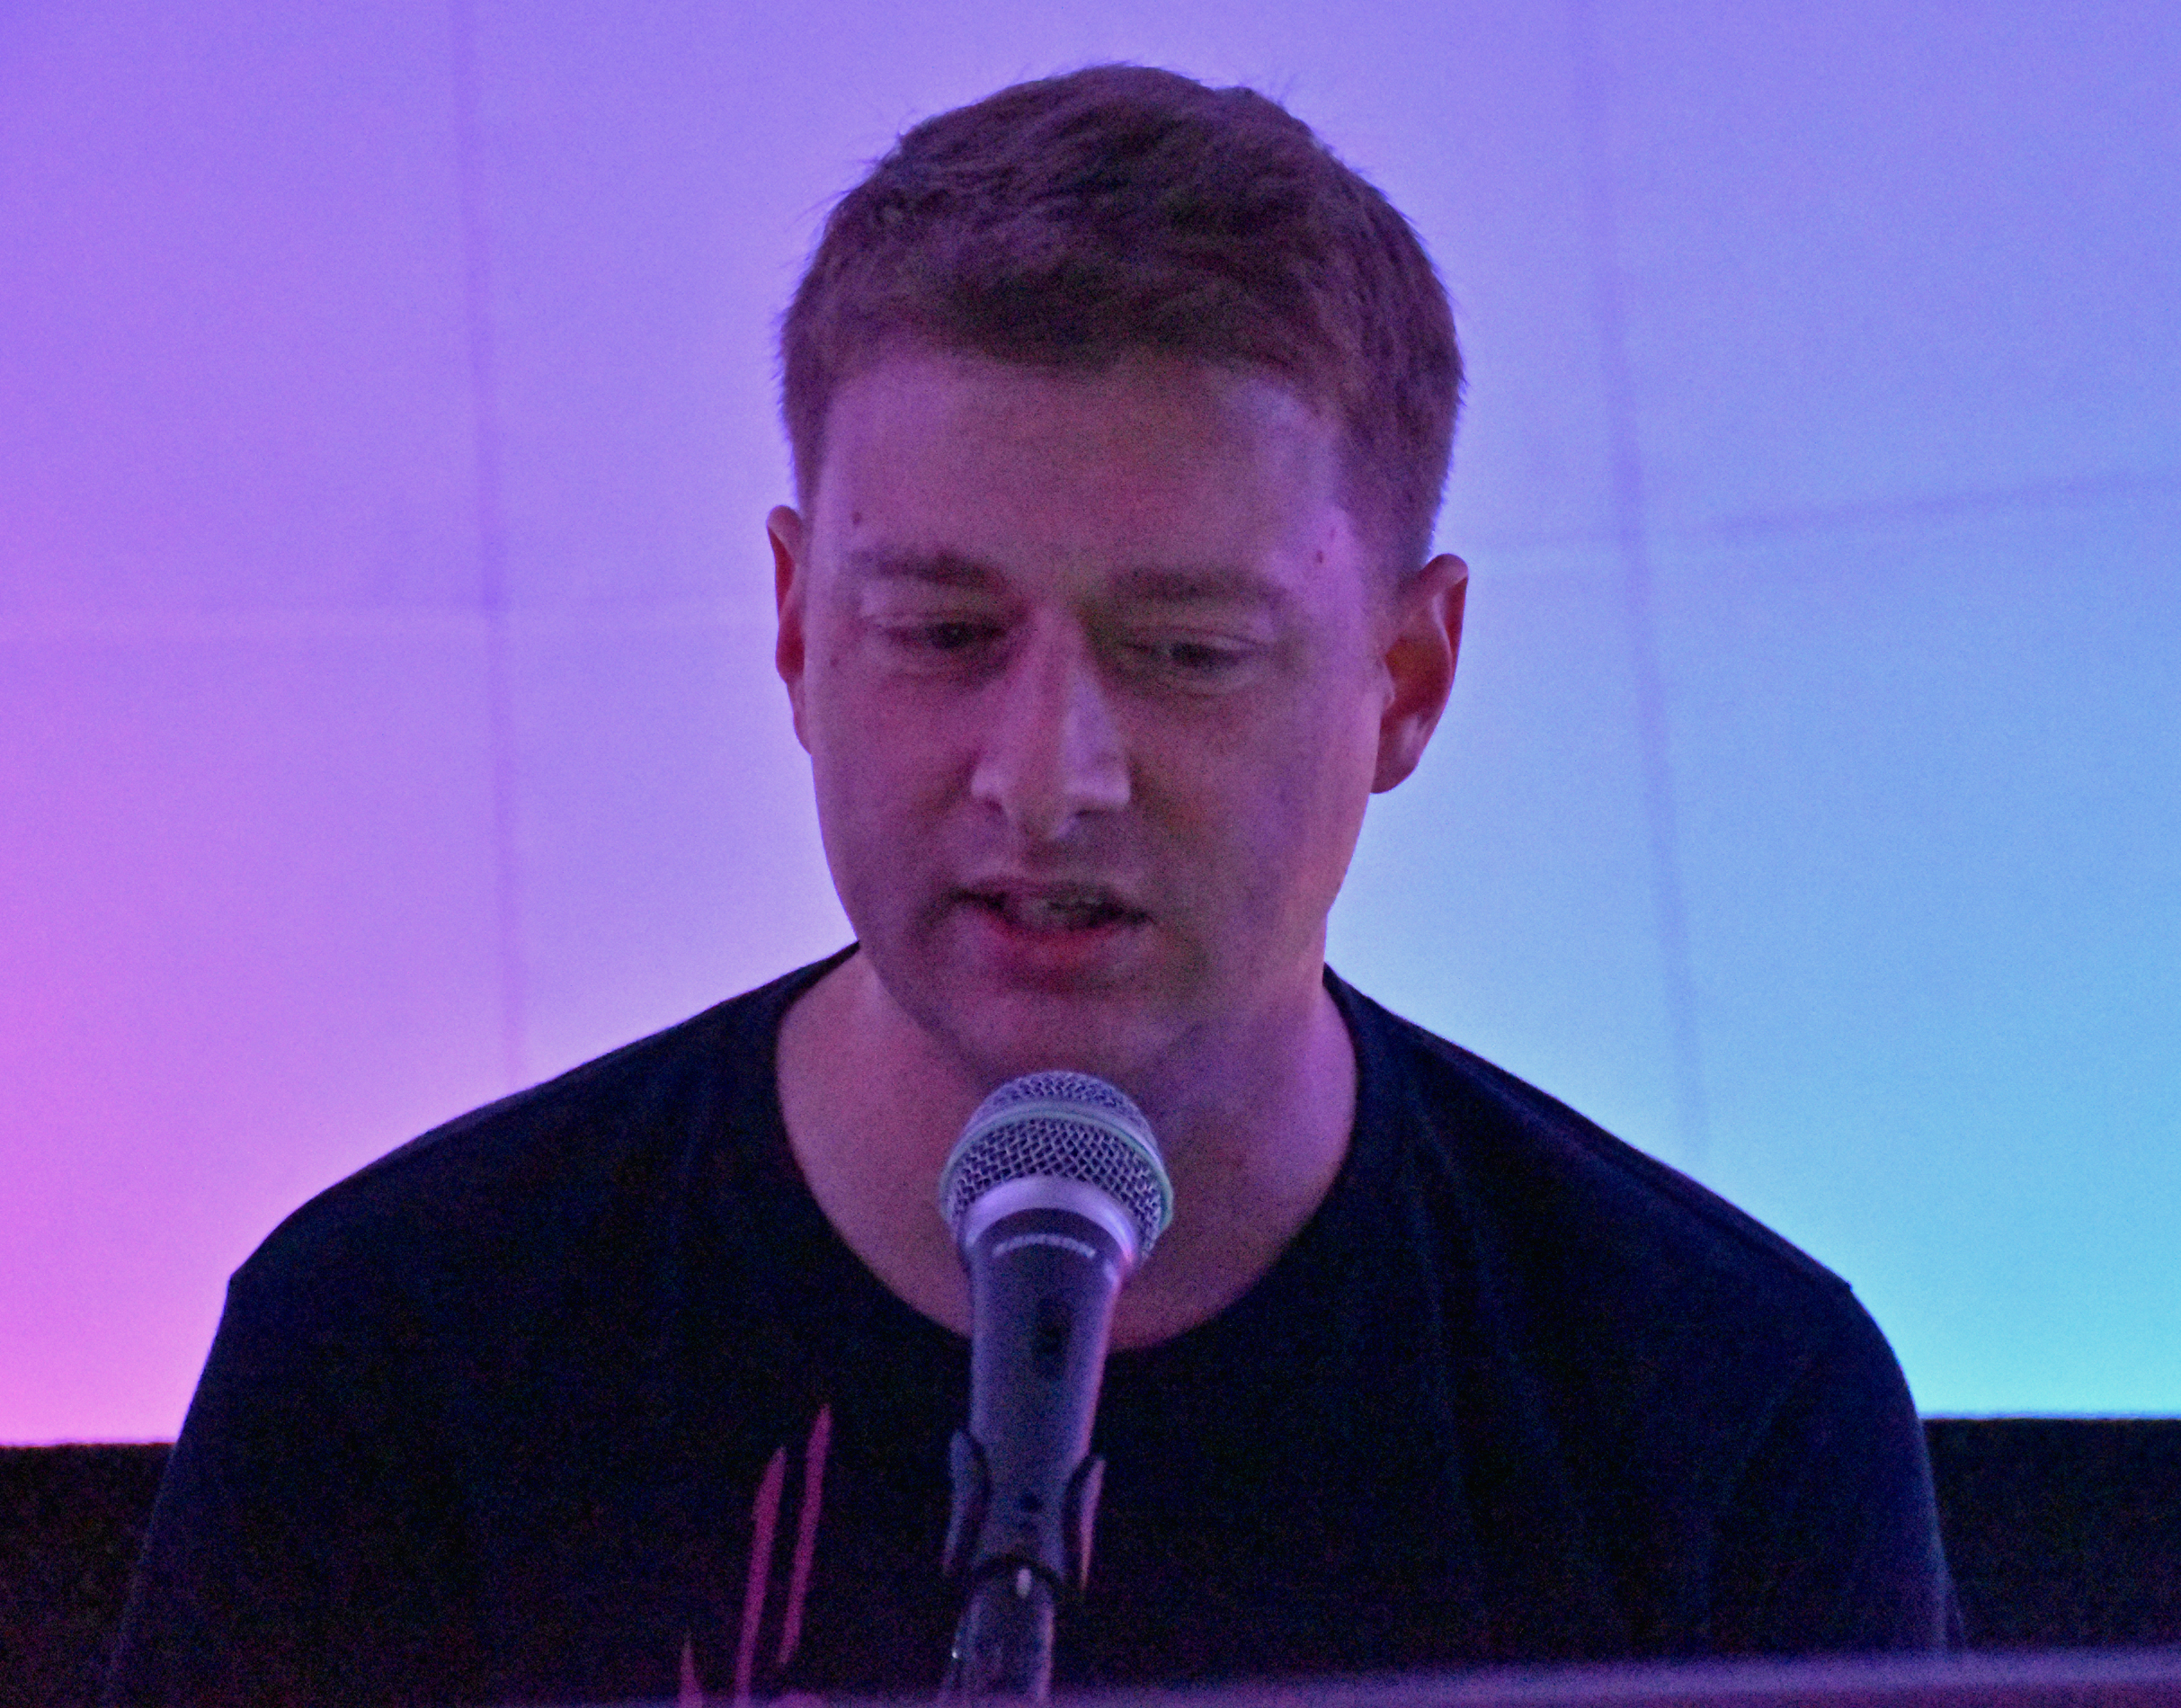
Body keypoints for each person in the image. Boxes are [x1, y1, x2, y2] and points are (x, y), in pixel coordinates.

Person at [108, 64, 1955, 1708]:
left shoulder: (1722, 1410)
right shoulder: (400, 1356)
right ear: (795, 629)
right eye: (941, 631)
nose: (1046, 778)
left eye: (1186, 652)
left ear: (1406, 680)